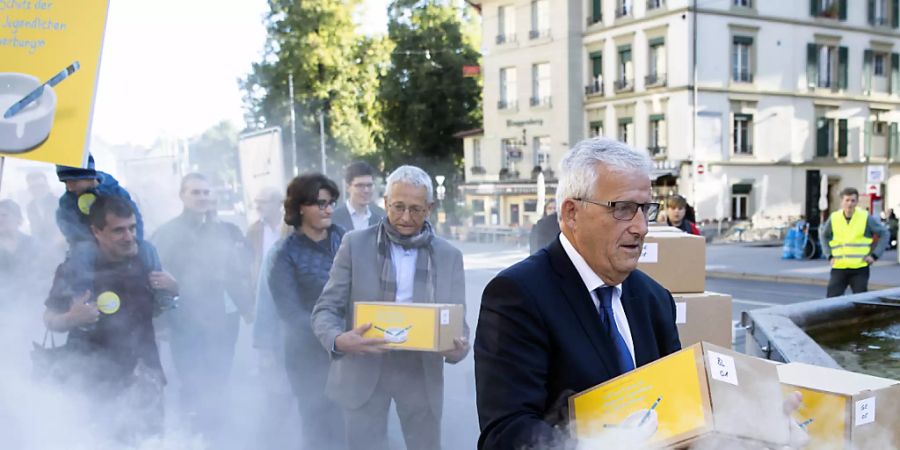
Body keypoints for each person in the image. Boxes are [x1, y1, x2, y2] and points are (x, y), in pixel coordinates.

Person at [475, 138, 682, 449]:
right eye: (623, 209)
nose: (641, 227)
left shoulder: (656, 300)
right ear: (572, 213)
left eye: (645, 210)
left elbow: (677, 404)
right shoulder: (516, 296)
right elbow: (506, 432)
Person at [311, 165, 469, 450]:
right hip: (363, 368)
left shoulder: (449, 256)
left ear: (430, 208)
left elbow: (459, 324)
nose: (406, 218)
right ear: (385, 203)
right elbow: (325, 309)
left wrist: (459, 348)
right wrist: (338, 340)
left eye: (416, 209)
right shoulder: (355, 244)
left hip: (420, 373)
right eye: (398, 207)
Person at [42, 196, 177, 443]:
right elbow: (49, 319)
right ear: (97, 231)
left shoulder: (145, 260)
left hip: (146, 378)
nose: (129, 236)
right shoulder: (74, 269)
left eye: (132, 228)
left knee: (152, 443)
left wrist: (173, 291)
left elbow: (155, 311)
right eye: (118, 230)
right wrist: (72, 318)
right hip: (95, 384)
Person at [151, 173, 254, 438]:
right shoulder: (167, 233)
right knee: (192, 385)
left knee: (220, 381)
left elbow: (239, 273)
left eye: (206, 192)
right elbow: (157, 280)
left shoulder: (226, 230)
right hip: (185, 323)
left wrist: (247, 307)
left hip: (222, 322)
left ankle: (220, 436)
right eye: (195, 192)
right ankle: (195, 438)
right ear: (182, 196)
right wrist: (161, 323)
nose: (202, 198)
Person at [269, 173, 346, 449]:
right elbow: (290, 314)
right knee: (319, 429)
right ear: (300, 207)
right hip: (308, 358)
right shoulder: (284, 255)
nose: (328, 209)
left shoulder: (346, 240)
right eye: (320, 203)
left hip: (352, 353)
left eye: (331, 203)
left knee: (354, 428)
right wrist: (335, 336)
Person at [55, 154, 148, 295]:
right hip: (90, 244)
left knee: (147, 248)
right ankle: (84, 296)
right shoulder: (67, 202)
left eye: (73, 181)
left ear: (87, 176)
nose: (69, 187)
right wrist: (101, 244)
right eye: (65, 182)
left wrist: (137, 242)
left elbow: (135, 217)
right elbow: (70, 229)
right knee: (82, 251)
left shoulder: (114, 190)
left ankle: (159, 290)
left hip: (120, 239)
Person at [821, 187, 889, 298]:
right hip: (839, 267)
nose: (850, 204)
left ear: (857, 202)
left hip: (860, 268)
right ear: (842, 201)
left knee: (861, 303)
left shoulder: (865, 217)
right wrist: (829, 255)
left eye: (853, 200)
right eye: (847, 200)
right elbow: (824, 235)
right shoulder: (834, 217)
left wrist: (874, 256)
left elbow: (884, 233)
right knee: (831, 301)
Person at [0, 199, 43, 305]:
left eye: (4, 215)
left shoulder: (32, 244)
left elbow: (44, 273)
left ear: (18, 218)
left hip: (33, 301)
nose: (0, 219)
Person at [331, 161, 386, 232]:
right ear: (348, 187)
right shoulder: (333, 218)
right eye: (360, 185)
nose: (366, 190)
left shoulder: (382, 216)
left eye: (369, 185)